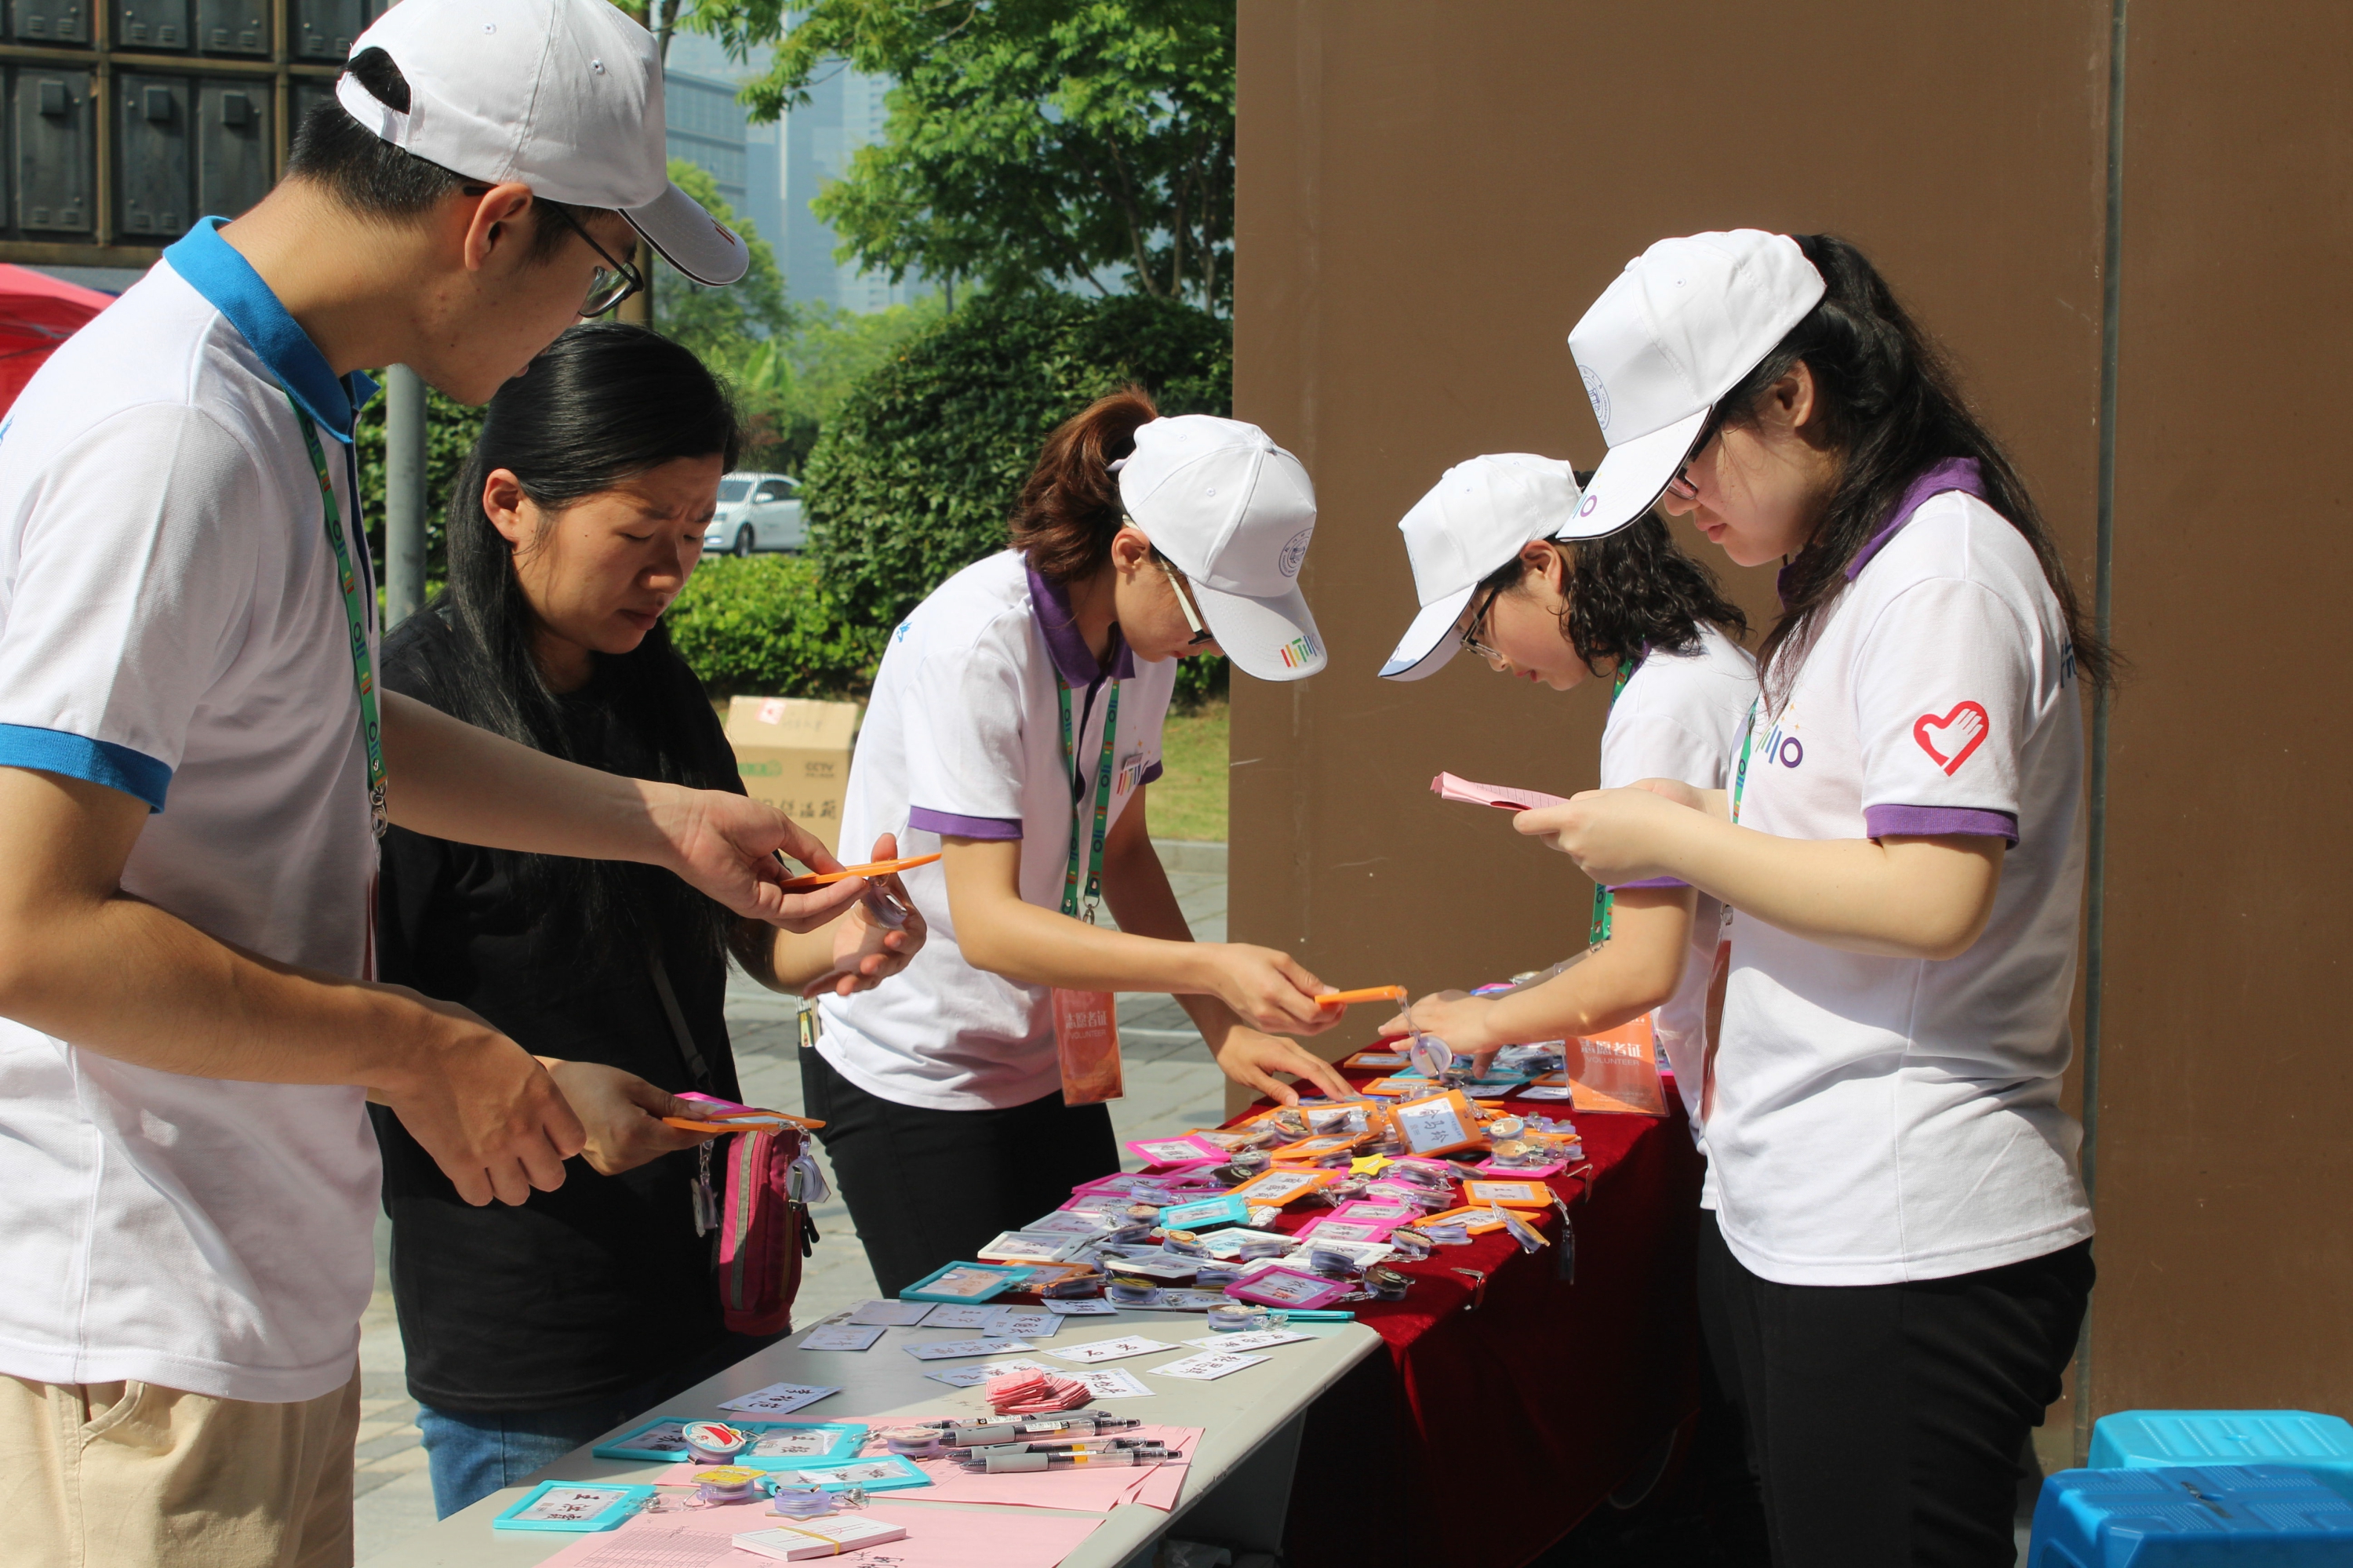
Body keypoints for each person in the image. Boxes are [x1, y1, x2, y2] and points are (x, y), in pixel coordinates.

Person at [0, 5, 872, 1563]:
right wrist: (423, 1046)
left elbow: (331, 729)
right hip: (143, 1311)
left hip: (239, 1295)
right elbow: (27, 927)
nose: (588, 315)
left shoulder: (271, 403)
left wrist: (659, 820)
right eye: (603, 265)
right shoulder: (173, 435)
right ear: (496, 221)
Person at [1528, 229, 2105, 1566]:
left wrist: (1677, 837)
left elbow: (1932, 891)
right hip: (1816, 1205)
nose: (1682, 504)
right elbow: (1842, 836)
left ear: (1791, 393)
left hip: (1904, 1222)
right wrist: (1691, 814)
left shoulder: (1942, 571)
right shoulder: (1852, 578)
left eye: (1690, 460)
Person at [372, 322, 926, 1519]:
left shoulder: (650, 679)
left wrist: (837, 939)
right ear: (510, 504)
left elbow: (745, 925)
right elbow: (360, 1012)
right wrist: (544, 1085)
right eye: (641, 532)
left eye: (694, 531)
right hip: (530, 1311)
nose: (672, 570)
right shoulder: (407, 717)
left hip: (714, 1272)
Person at [804, 390, 1355, 1297]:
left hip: (1045, 1060)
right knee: (980, 1355)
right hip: (917, 1070)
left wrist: (1221, 1026)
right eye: (1209, 618)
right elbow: (988, 926)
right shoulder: (979, 641)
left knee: (1100, 1320)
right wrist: (1215, 968)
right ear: (1131, 553)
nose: (1211, 646)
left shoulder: (1144, 644)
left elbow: (1122, 851)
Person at [1373, 452, 1766, 1556]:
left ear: (1544, 565)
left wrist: (1484, 1022)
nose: (1495, 658)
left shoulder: (1663, 704)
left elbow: (1643, 966)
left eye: (1481, 626)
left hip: (1747, 1125)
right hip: (1741, 1097)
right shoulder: (1697, 665)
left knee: (1737, 1465)